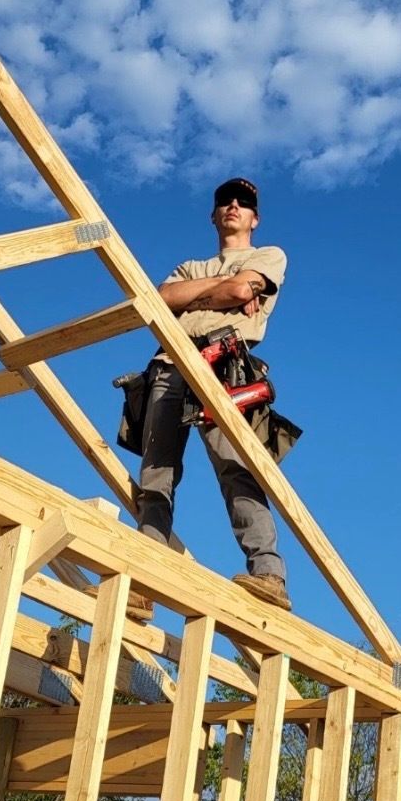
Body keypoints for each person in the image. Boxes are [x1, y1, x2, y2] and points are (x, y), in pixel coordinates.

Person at [128, 177, 291, 620]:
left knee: (237, 469)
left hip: (226, 364)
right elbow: (162, 300)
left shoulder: (268, 256)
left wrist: (211, 294)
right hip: (170, 363)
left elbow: (241, 290)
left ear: (254, 217)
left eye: (244, 203)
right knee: (156, 475)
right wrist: (225, 287)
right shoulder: (188, 266)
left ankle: (269, 575)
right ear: (214, 214)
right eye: (225, 201)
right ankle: (144, 580)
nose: (234, 206)